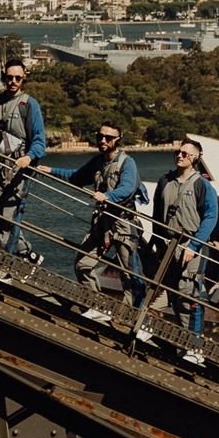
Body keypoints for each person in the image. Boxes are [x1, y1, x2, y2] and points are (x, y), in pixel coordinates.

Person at [63, 123, 147, 316]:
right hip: (102, 223)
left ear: (118, 140)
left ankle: (136, 318)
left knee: (131, 274)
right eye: (100, 136)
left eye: (108, 138)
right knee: (82, 264)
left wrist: (108, 196)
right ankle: (95, 306)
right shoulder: (98, 162)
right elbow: (76, 177)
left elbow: (127, 188)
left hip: (123, 224)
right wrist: (49, 170)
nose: (102, 140)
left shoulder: (127, 163)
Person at [152, 138, 217, 364]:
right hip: (168, 244)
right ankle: (184, 342)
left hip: (191, 246)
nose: (180, 156)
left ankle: (195, 348)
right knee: (175, 297)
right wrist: (156, 241)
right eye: (178, 152)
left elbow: (210, 218)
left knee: (190, 296)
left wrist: (194, 245)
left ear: (196, 158)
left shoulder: (202, 185)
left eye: (185, 153)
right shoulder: (165, 181)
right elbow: (156, 213)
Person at [0, 59, 46, 259]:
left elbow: (40, 140)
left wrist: (29, 157)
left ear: (24, 78)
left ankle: (11, 262)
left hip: (18, 170)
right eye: (9, 77)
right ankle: (26, 252)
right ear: (3, 77)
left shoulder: (29, 105)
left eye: (18, 78)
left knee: (9, 214)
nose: (13, 81)